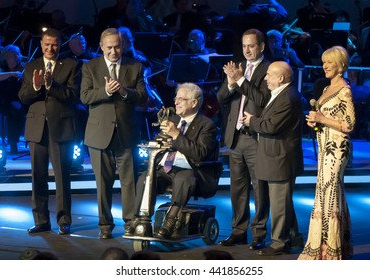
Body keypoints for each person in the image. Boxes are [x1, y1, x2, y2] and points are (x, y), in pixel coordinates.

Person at [125, 82, 219, 239]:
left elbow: (200, 153)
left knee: (183, 178)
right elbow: (159, 143)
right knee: (145, 178)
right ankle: (140, 219)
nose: (176, 102)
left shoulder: (207, 125)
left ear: (194, 102)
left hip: (193, 170)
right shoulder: (172, 119)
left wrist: (177, 135)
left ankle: (170, 221)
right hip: (167, 168)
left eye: (181, 99)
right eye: (176, 98)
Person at [80, 27, 148, 239]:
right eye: (109, 47)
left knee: (129, 182)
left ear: (123, 45)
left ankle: (130, 222)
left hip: (126, 134)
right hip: (99, 135)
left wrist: (123, 91)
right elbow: (84, 97)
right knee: (103, 183)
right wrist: (106, 91)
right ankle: (105, 225)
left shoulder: (134, 66)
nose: (113, 51)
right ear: (101, 47)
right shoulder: (90, 67)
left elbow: (143, 97)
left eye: (117, 46)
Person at [18, 28, 80, 235]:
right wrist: (36, 88)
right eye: (46, 44)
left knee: (62, 177)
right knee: (38, 177)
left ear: (60, 44)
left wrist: (51, 85)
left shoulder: (71, 65)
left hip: (61, 128)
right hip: (36, 128)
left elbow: (73, 96)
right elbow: (23, 97)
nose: (50, 48)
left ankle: (64, 221)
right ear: (41, 44)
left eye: (54, 44)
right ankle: (41, 221)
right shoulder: (30, 67)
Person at [241, 61, 304, 256]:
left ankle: (279, 243)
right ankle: (293, 237)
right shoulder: (280, 94)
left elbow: (271, 126)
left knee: (279, 204)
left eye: (269, 75)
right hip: (273, 156)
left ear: (281, 78)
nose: (265, 78)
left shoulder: (288, 97)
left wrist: (252, 121)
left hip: (281, 158)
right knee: (282, 202)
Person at [298, 46, 355, 260]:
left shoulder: (345, 90)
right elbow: (326, 119)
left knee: (330, 193)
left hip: (338, 149)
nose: (325, 66)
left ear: (340, 64)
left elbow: (349, 124)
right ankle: (327, 247)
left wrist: (322, 119)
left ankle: (332, 250)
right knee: (325, 194)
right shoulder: (326, 89)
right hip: (325, 147)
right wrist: (316, 122)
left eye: (329, 62)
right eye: (323, 62)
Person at [216, 28, 270, 248]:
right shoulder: (238, 68)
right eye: (244, 45)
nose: (247, 50)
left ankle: (259, 234)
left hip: (255, 137)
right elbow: (220, 98)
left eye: (252, 45)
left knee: (259, 188)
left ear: (262, 46)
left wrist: (240, 81)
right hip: (235, 137)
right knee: (237, 189)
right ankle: (238, 231)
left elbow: (262, 100)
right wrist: (230, 83)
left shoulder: (269, 69)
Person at [0, 44, 26, 154]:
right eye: (13, 55)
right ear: (6, 57)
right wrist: (12, 74)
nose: (17, 57)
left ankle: (23, 140)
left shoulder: (23, 67)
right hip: (4, 100)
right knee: (15, 110)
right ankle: (13, 142)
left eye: (18, 54)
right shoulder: (2, 67)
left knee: (20, 109)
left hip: (20, 99)